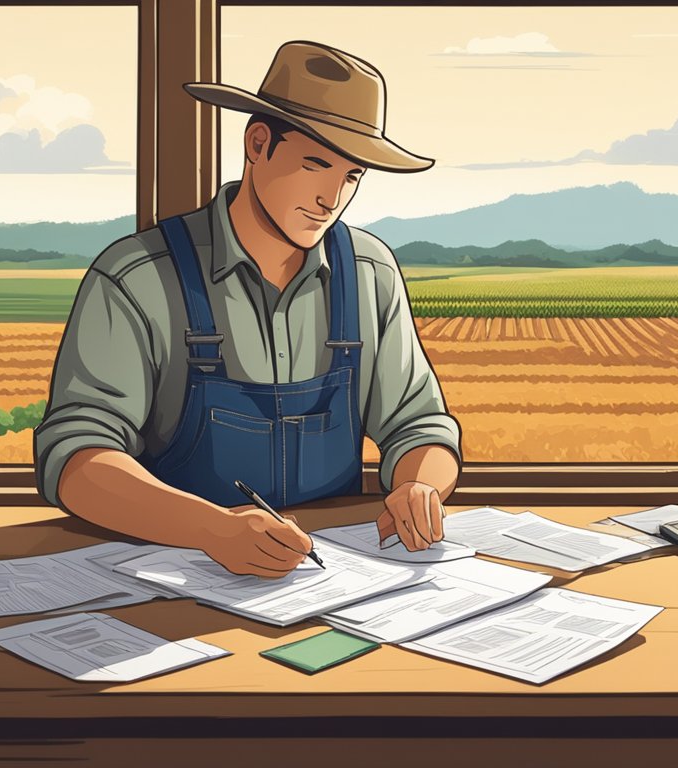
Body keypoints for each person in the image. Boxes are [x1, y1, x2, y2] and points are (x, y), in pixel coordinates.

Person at [34, 41, 462, 578]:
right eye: (315, 164)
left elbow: (419, 425)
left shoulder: (370, 272)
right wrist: (210, 528)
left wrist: (418, 485)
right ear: (258, 143)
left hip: (330, 580)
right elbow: (78, 457)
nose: (333, 198)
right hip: (174, 577)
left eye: (351, 176)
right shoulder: (138, 275)